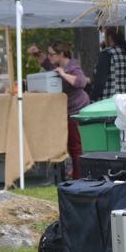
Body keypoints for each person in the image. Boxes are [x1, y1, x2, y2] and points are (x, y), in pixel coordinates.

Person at [28, 41, 90, 178]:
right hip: (65, 110)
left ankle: (79, 177)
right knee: (68, 144)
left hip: (77, 110)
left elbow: (81, 82)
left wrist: (63, 74)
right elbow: (46, 64)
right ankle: (74, 174)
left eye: (52, 54)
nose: (49, 56)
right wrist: (37, 53)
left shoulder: (72, 66)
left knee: (75, 146)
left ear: (61, 54)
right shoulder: (57, 65)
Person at [88, 26, 126, 101]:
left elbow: (100, 81)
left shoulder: (107, 53)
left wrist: (92, 97)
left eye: (104, 37)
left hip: (109, 99)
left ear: (109, 38)